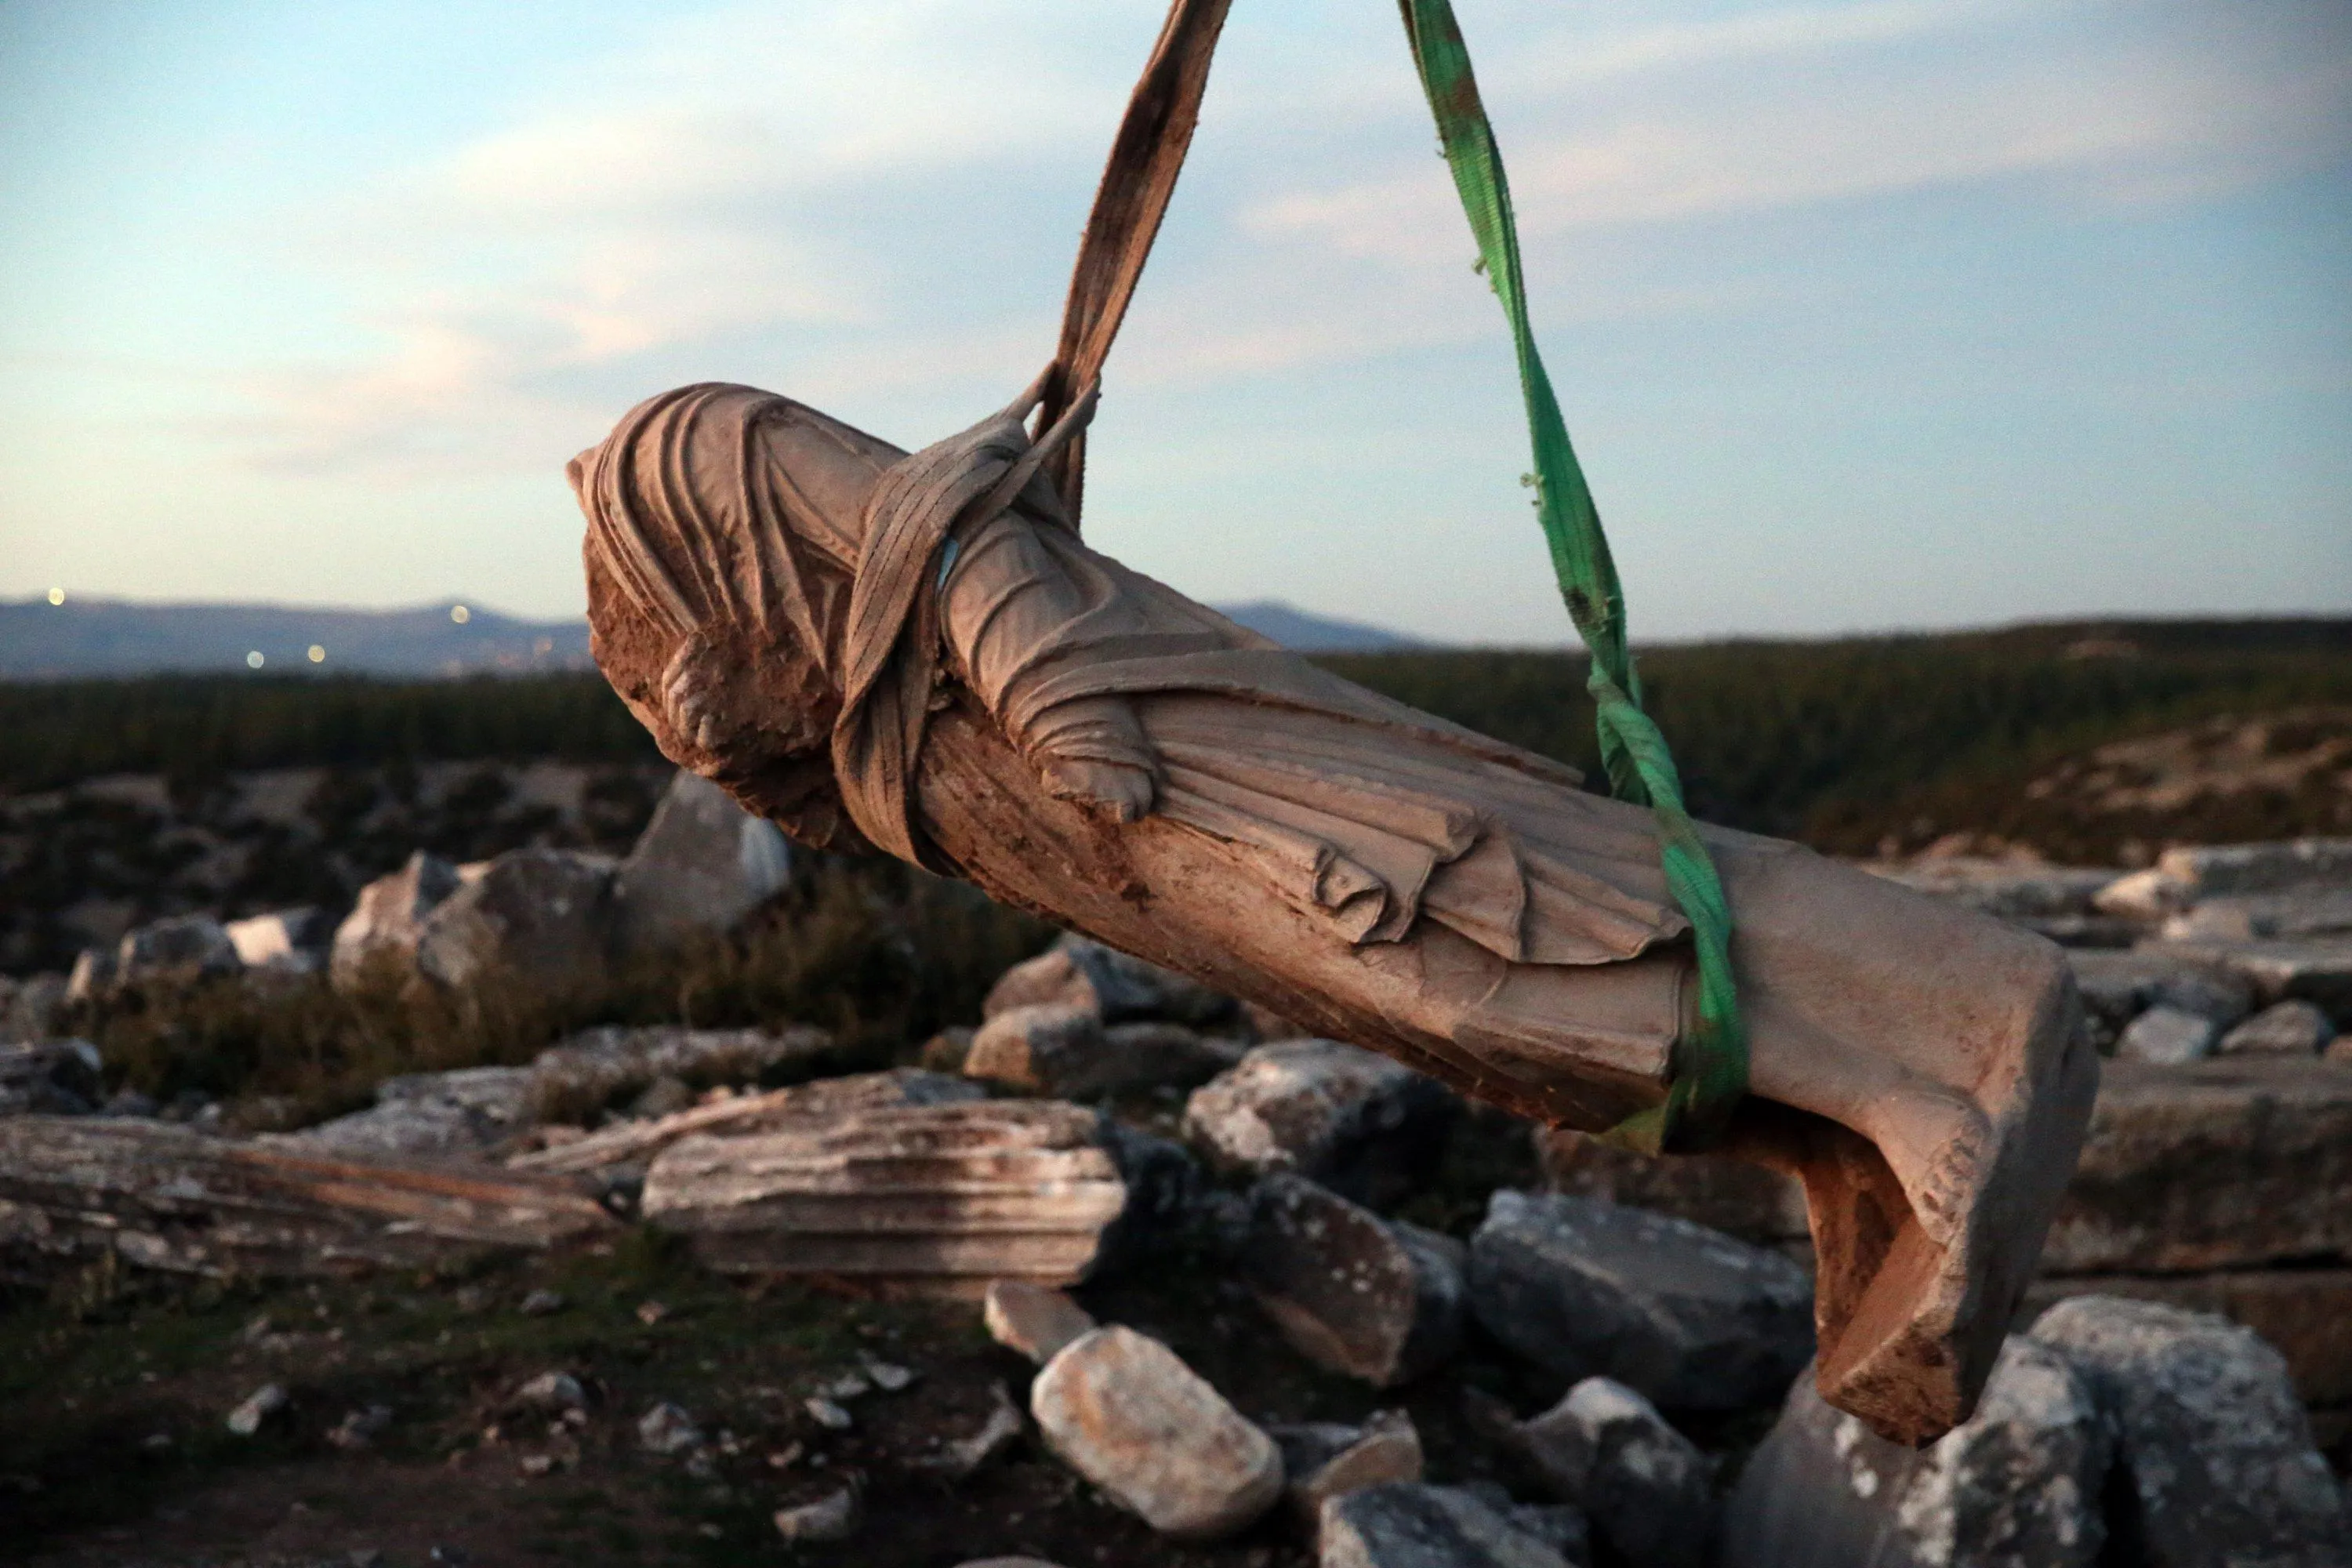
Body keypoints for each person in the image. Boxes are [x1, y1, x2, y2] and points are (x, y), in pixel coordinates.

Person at [568, 375, 2096, 1444]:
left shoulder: (688, 454)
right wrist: (739, 742)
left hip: (1142, 747)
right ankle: (1850, 1128)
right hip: (1067, 847)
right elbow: (822, 796)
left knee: (1480, 921)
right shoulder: (620, 606)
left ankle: (1916, 1101)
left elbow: (954, 528)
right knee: (1445, 1008)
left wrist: (1047, 701)